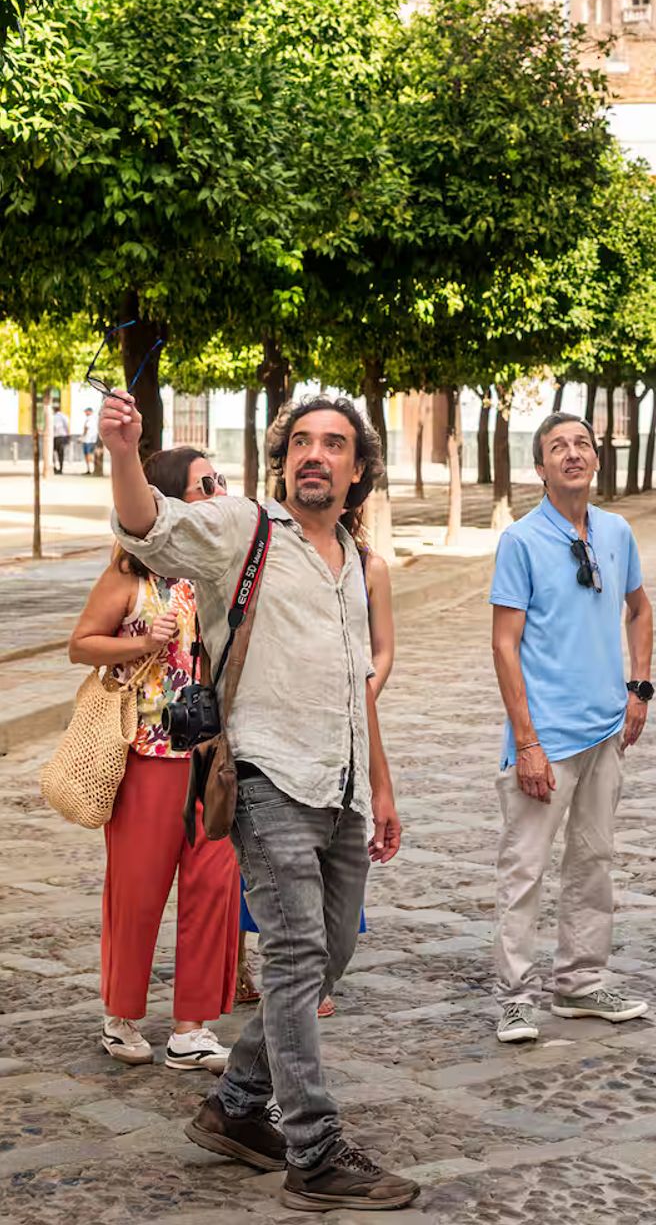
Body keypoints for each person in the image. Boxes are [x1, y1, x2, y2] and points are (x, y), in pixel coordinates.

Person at [100, 387, 419, 1214]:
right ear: (283, 459)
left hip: (342, 783)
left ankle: (236, 1107)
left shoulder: (353, 560)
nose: (317, 454)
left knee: (333, 952)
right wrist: (126, 452)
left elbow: (359, 685)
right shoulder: (241, 530)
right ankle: (312, 1149)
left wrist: (380, 783)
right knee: (295, 956)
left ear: (358, 467)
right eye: (302, 443)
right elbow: (147, 524)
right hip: (265, 777)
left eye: (335, 444)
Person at [68, 447, 240, 1073]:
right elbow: (79, 644)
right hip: (148, 753)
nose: (218, 490)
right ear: (170, 497)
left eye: (219, 481)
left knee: (212, 886)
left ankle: (191, 1028)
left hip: (213, 755)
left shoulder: (222, 573)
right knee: (138, 890)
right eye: (204, 485)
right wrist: (143, 639)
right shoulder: (131, 576)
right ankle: (121, 1016)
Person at [490, 411, 654, 1046]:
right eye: (558, 447)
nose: (573, 453)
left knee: (594, 862)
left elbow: (639, 610)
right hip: (545, 741)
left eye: (582, 443)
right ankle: (515, 997)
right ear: (540, 468)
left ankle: (582, 983)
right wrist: (527, 742)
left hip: (606, 731)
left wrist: (639, 687)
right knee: (524, 869)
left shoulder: (617, 532)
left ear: (596, 459)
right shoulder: (521, 541)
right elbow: (505, 647)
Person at [235, 538, 394, 1015]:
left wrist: (351, 698)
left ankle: (245, 1081)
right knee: (289, 930)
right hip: (274, 756)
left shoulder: (368, 566)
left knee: (333, 933)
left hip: (342, 742)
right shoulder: (263, 550)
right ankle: (255, 968)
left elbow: (379, 653)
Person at [51, 398, 71, 474]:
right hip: (62, 437)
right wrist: (68, 435)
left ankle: (55, 467)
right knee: (61, 454)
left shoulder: (53, 417)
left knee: (52, 453)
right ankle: (60, 469)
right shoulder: (64, 416)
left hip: (55, 437)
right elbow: (67, 426)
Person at [82, 406, 99, 475]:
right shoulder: (95, 419)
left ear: (90, 411)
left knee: (88, 455)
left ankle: (90, 469)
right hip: (93, 439)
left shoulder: (89, 419)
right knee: (90, 454)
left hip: (88, 439)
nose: (85, 413)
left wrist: (82, 437)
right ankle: (90, 469)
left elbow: (86, 428)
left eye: (86, 411)